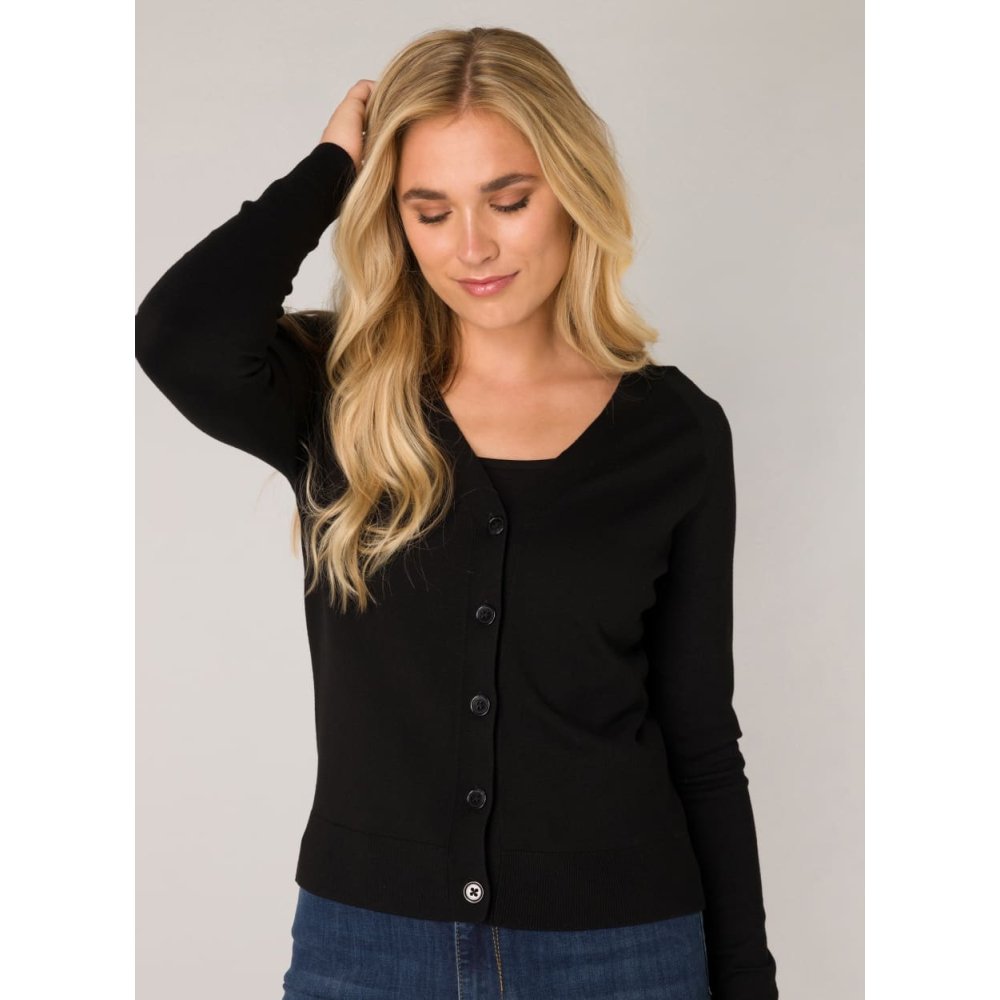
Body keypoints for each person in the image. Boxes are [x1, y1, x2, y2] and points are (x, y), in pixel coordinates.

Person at [135, 25, 779, 1000]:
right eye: (428, 210)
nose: (471, 246)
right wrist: (330, 169)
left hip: (623, 951)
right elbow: (178, 332)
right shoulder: (338, 394)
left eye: (508, 201)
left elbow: (700, 739)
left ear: (573, 187)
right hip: (366, 950)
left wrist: (745, 978)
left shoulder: (676, 432)